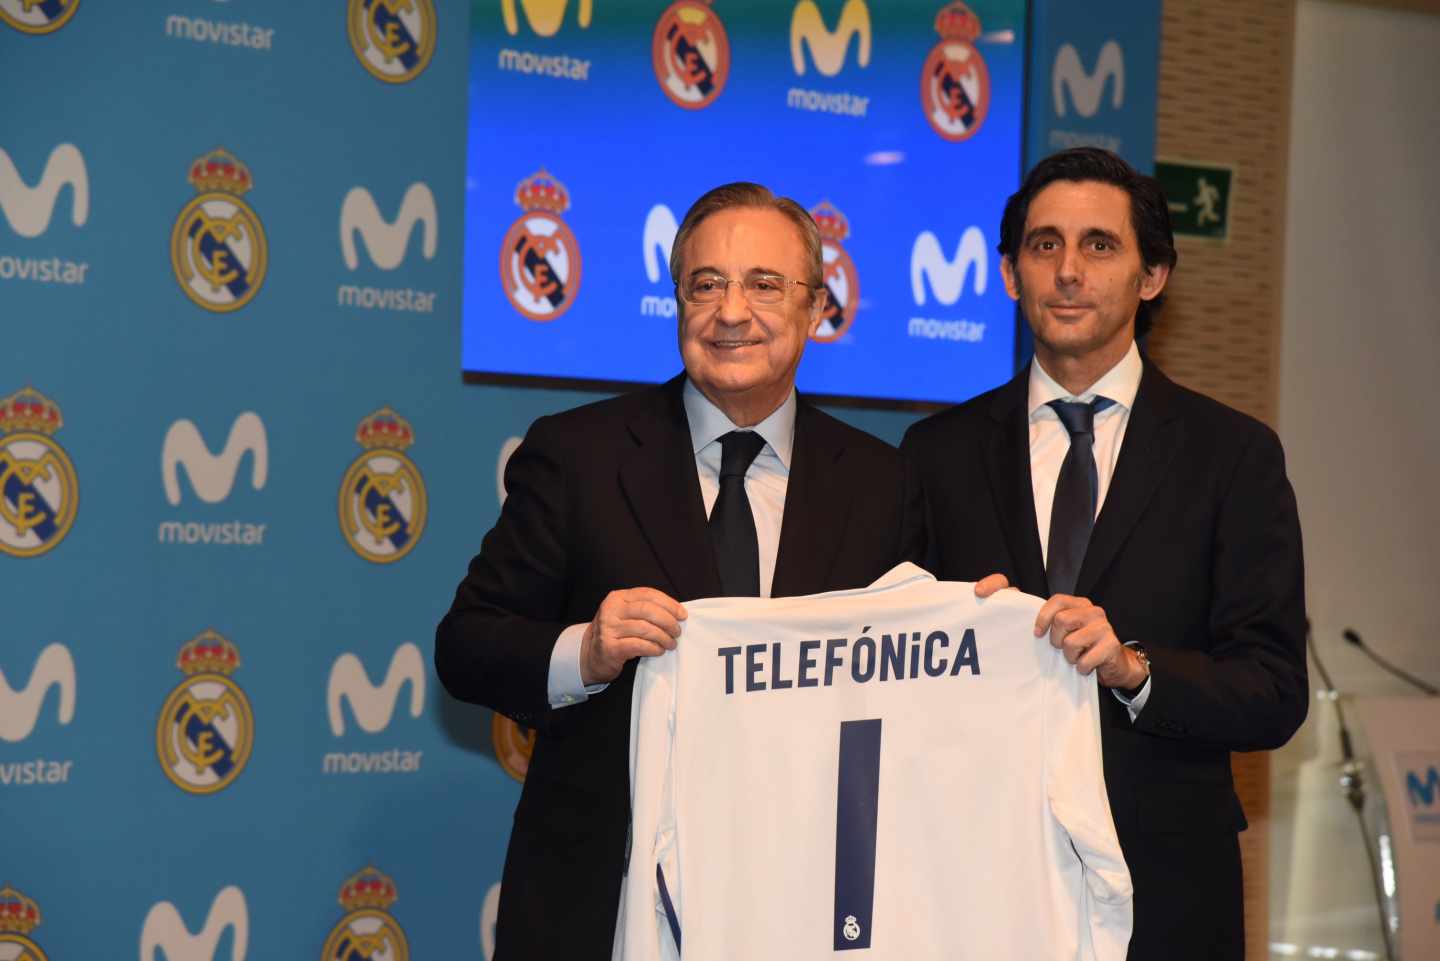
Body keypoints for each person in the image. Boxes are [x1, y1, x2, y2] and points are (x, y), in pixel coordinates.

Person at [436, 182, 915, 961]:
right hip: (601, 907)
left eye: (764, 284)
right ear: (676, 302)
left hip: (805, 905)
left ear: (815, 307)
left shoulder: (884, 482)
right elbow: (465, 646)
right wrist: (583, 652)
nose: (732, 312)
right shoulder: (578, 455)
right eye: (706, 285)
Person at [901, 147, 1307, 960]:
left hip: (1166, 879)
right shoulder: (933, 453)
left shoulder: (1233, 455)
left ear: (1152, 275)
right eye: (1045, 246)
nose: (1068, 271)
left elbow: (1272, 689)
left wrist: (1135, 668)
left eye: (1100, 245)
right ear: (1011, 273)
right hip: (975, 877)